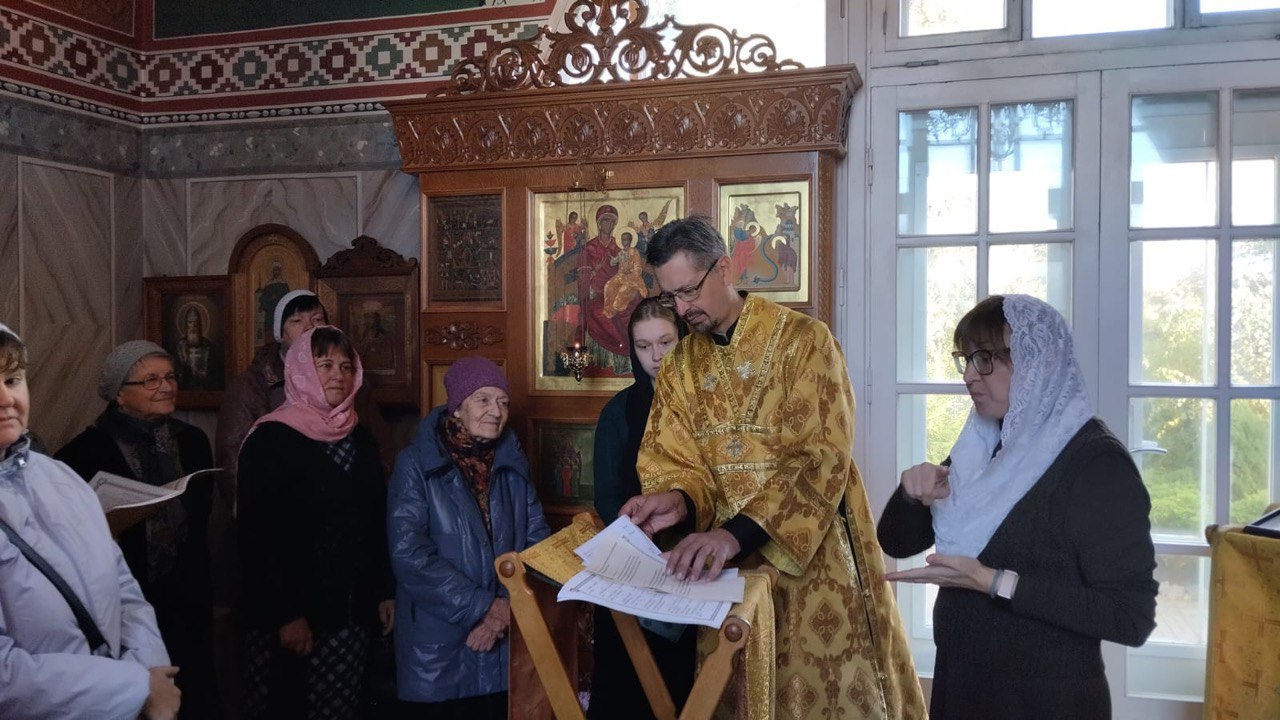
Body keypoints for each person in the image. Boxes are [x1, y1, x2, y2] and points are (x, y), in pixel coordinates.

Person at [619, 216, 925, 720]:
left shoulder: (804, 341)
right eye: (671, 297)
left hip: (814, 571)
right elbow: (674, 459)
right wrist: (676, 500)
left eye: (689, 291)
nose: (682, 309)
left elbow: (821, 457)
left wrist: (733, 535)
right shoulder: (678, 366)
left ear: (724, 268)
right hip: (723, 576)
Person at [877, 295, 1158, 720]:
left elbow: (1129, 617)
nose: (969, 375)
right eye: (966, 359)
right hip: (963, 686)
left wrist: (994, 582)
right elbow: (896, 542)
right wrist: (911, 496)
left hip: (1045, 701)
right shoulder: (985, 446)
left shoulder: (1096, 463)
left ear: (1037, 362)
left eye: (985, 358)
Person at [0, 324, 181, 720]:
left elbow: (122, 585)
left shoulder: (58, 478)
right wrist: (135, 688)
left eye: (12, 380)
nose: (7, 399)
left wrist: (149, 669)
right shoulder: (82, 454)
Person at [237, 325, 395, 719]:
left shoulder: (361, 439)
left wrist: (383, 592)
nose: (338, 375)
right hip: (292, 615)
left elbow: (375, 522)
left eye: (346, 366)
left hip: (351, 612)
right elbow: (257, 538)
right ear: (302, 370)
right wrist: (287, 615)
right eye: (325, 365)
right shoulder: (270, 439)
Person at [57, 340, 218, 720]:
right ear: (120, 394)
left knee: (194, 693)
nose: (166, 387)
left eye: (170, 377)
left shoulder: (192, 442)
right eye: (150, 380)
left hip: (187, 593)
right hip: (125, 596)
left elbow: (200, 518)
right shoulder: (83, 453)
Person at [388, 356, 550, 720]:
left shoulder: (512, 461)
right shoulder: (415, 464)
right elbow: (409, 555)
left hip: (505, 638)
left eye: (503, 401)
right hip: (439, 646)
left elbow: (538, 543)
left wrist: (503, 612)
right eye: (483, 399)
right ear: (457, 407)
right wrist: (485, 609)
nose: (496, 411)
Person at [590, 297, 695, 720]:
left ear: (683, 339)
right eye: (644, 346)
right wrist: (637, 540)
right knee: (630, 692)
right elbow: (606, 496)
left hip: (696, 565)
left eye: (666, 342)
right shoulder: (618, 413)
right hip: (634, 566)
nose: (656, 356)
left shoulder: (708, 405)